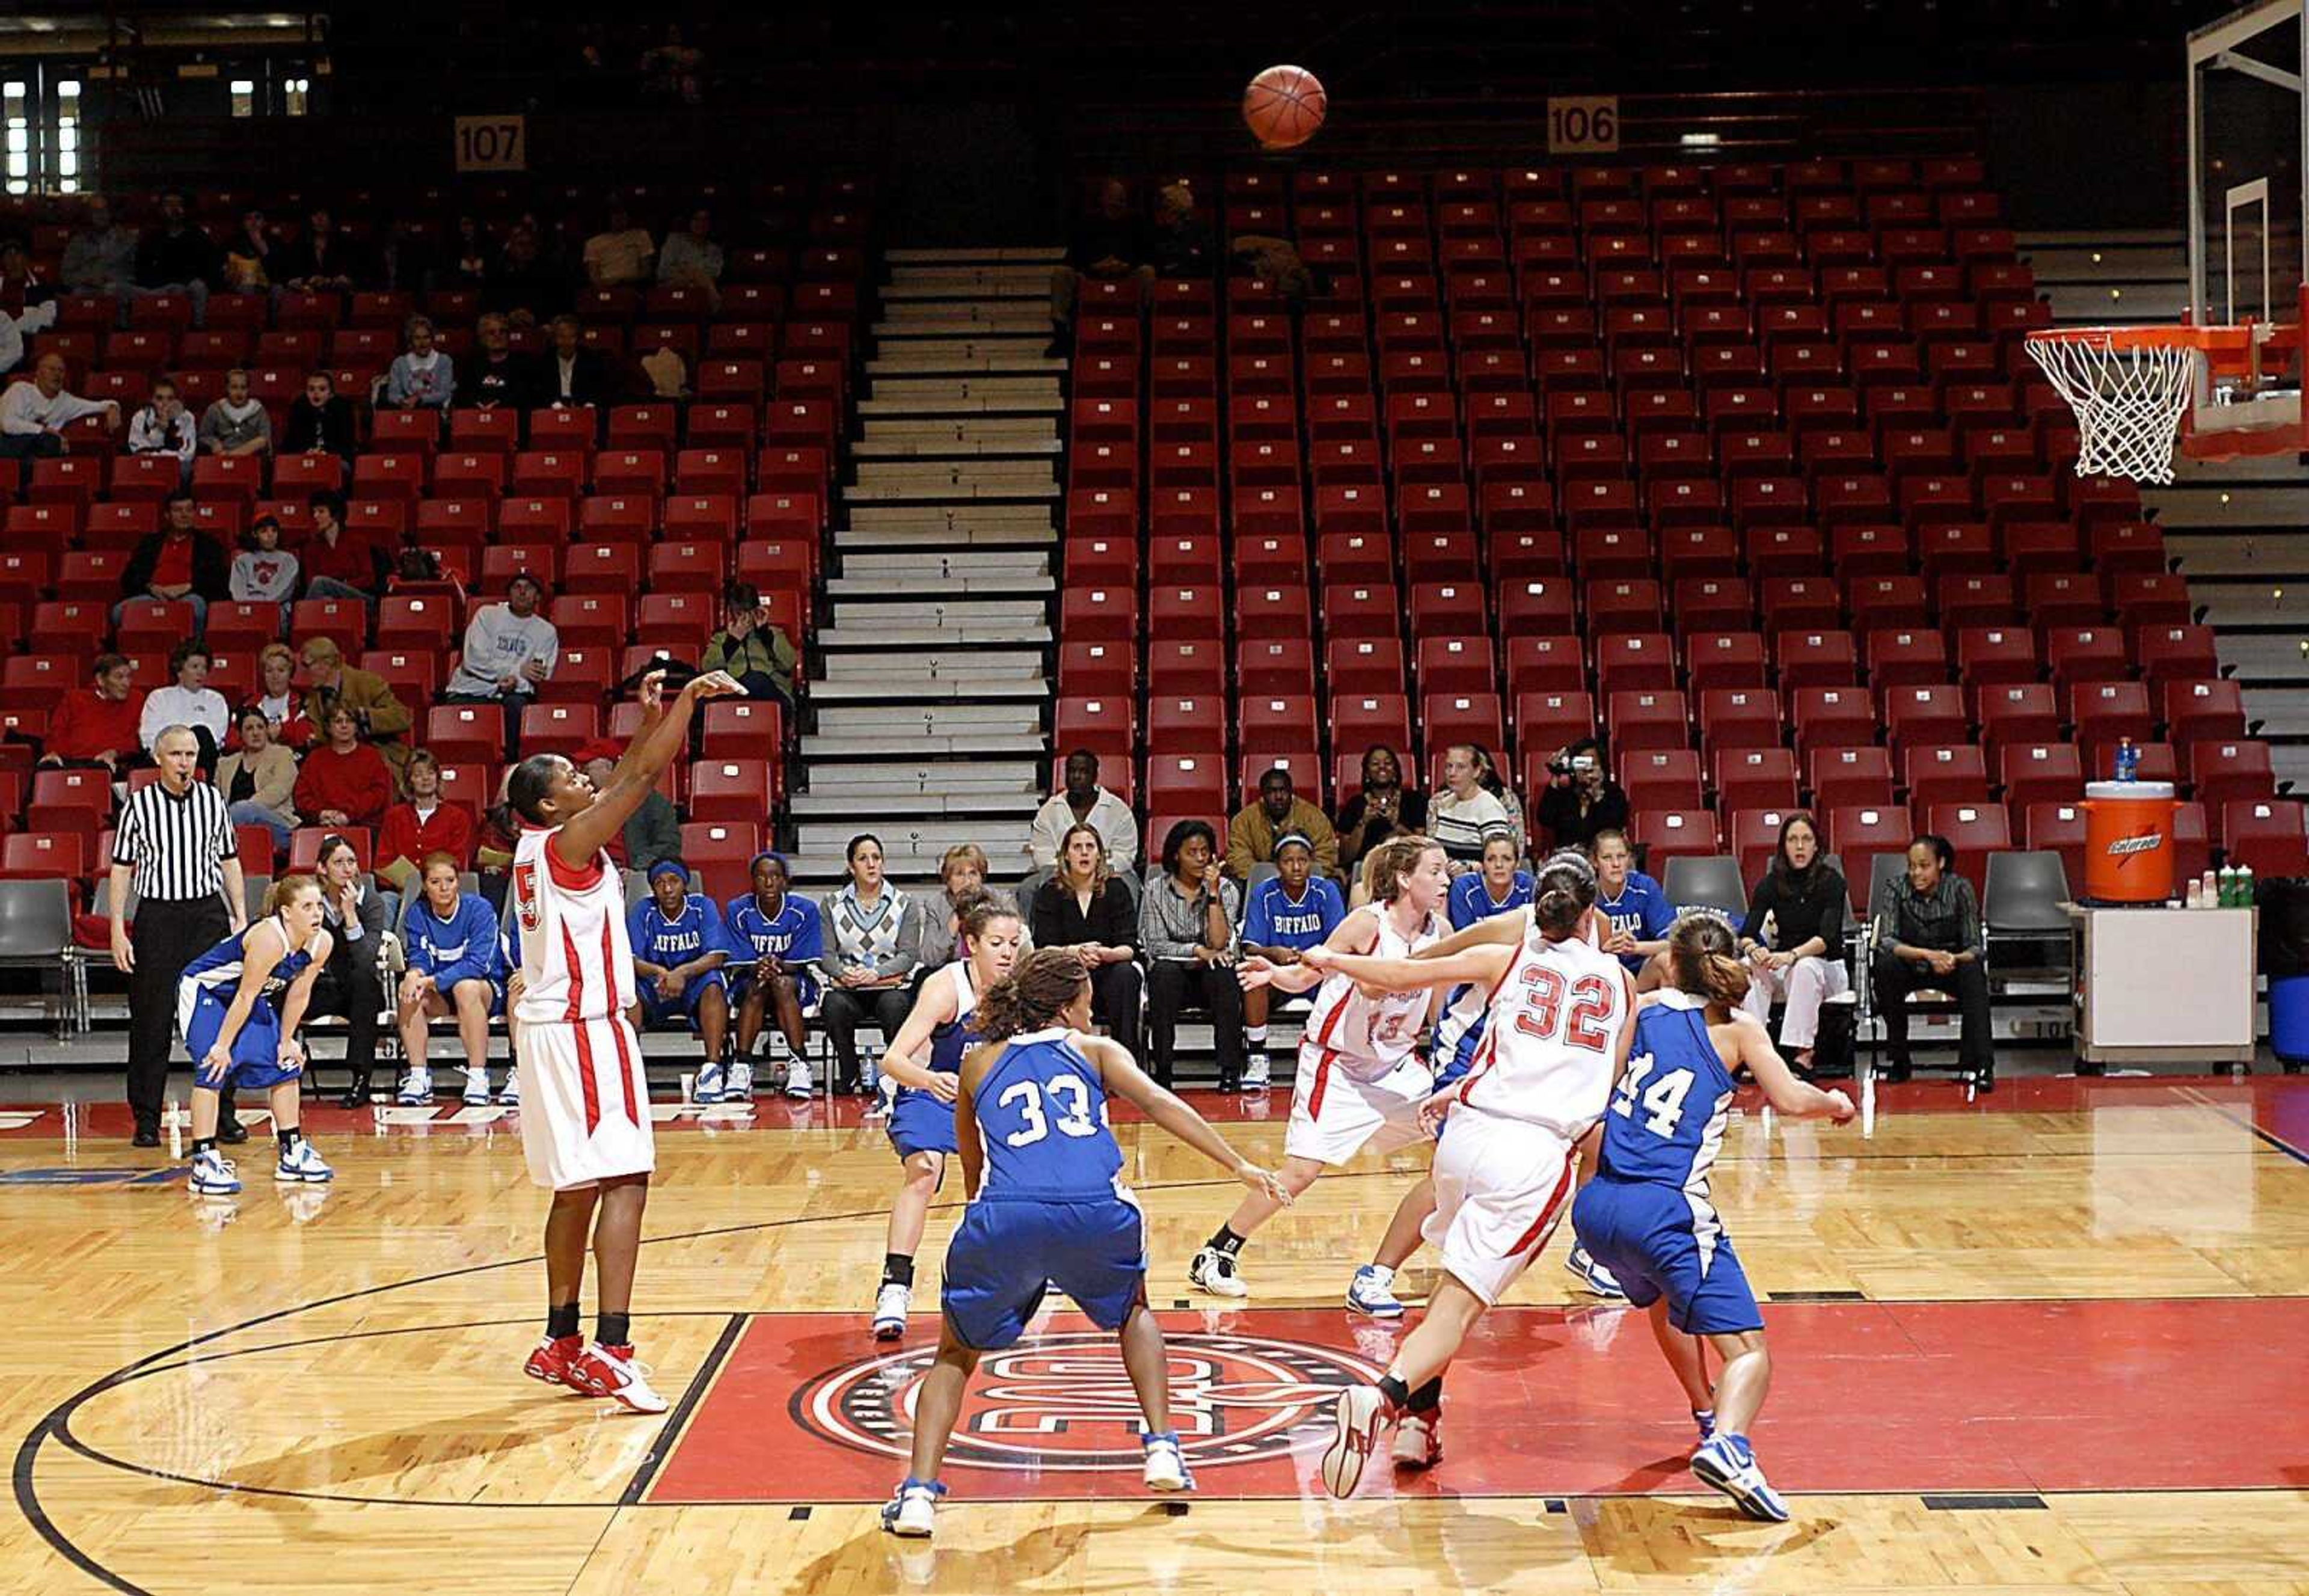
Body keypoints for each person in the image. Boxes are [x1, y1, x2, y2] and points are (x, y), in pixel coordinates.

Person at [880, 948, 1289, 1538]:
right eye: (1089, 998)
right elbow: (1161, 1102)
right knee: (1134, 1310)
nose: (1092, 1007)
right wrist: (1240, 1163)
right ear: (1070, 1006)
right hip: (1098, 1209)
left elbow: (975, 1170)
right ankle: (1163, 1447)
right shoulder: (1095, 1051)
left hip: (1004, 1213)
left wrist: (1004, 1241)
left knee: (954, 1353)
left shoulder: (978, 1061)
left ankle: (918, 1494)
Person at [1310, 855, 1636, 1496]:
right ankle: (1383, 1398)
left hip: (1466, 1133)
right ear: (1593, 911)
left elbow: (1404, 973)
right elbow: (1598, 1087)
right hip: (1532, 1155)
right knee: (1458, 1307)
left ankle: (1420, 1424)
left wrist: (1334, 959)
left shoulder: (1506, 955)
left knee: (1449, 1287)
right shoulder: (1621, 984)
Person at [1571, 910, 1857, 1521]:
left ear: (1672, 961)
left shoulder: (1643, 1009)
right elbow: (1790, 1098)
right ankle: (1730, 1443)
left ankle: (1705, 1412)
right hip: (1665, 1210)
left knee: (1660, 1301)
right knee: (1750, 1353)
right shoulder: (1740, 1029)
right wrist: (1832, 1101)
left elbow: (1593, 1095)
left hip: (1596, 1211)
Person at [509, 666, 741, 1415]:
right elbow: (639, 777)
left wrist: (643, 717)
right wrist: (683, 705)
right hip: (583, 1030)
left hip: (553, 1030)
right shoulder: (568, 844)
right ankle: (614, 1346)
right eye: (576, 777)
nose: (590, 778)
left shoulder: (535, 849)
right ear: (551, 805)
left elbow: (625, 769)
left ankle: (561, 1340)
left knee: (575, 1185)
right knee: (627, 1177)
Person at [1191, 836, 1453, 1300]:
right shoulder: (1367, 925)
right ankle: (1218, 1251)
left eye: (1445, 870)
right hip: (1339, 1067)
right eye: (1435, 871)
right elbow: (1307, 975)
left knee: (1458, 1138)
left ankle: (1445, 1244)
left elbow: (1437, 1013)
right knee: (1301, 1173)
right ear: (1404, 878)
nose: (1445, 879)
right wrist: (1273, 975)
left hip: (1395, 1068)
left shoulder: (1442, 934)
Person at [869, 893, 1025, 1340]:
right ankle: (895, 1286)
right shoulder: (944, 987)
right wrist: (927, 1079)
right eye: (997, 942)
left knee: (1013, 1176)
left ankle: (1008, 1277)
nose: (1008, 952)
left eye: (1014, 943)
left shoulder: (1020, 990)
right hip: (929, 1089)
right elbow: (892, 1060)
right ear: (971, 944)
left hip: (987, 1097)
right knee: (925, 1169)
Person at [111, 725, 248, 1148]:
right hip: (158, 917)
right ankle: (147, 1119)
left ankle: (224, 1113)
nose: (185, 762)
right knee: (151, 1021)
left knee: (215, 1018)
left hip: (206, 914)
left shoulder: (212, 801)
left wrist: (240, 915)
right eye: (176, 754)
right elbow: (121, 868)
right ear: (159, 758)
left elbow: (229, 861)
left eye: (190, 754)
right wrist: (118, 927)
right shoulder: (139, 805)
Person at [179, 876, 336, 1195]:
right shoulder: (269, 938)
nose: (316, 913)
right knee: (213, 1067)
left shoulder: (323, 943)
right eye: (307, 907)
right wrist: (222, 1045)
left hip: (247, 997)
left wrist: (287, 1039)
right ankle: (204, 1160)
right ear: (286, 913)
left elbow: (298, 993)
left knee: (286, 1064)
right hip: (208, 991)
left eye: (319, 905)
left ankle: (292, 1151)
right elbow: (245, 996)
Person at [1869, 833, 1995, 1090]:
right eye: (1912, 866)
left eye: (1924, 866)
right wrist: (1927, 955)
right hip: (1911, 962)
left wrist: (1952, 958)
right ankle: (1899, 1059)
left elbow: (1975, 946)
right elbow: (1888, 941)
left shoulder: (1960, 889)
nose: (1916, 873)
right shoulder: (1895, 888)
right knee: (1885, 967)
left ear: (1941, 863)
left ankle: (1982, 1064)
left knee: (1973, 973)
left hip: (1950, 964)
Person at [1737, 812, 1851, 1075]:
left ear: (1816, 845)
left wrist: (1791, 955)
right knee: (1748, 966)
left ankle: (1802, 1055)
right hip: (1786, 965)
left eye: (1806, 839)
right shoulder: (1770, 883)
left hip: (1827, 967)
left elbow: (1827, 938)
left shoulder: (1832, 881)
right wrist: (1756, 950)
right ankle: (1754, 1051)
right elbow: (1747, 933)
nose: (1799, 847)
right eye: (1792, 840)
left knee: (1806, 967)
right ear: (1783, 846)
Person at [1139, 818, 1245, 1090]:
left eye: (1205, 852)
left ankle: (1230, 1070)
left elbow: (1219, 943)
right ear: (1176, 855)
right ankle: (1163, 1070)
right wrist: (1197, 950)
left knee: (1224, 972)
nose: (1200, 859)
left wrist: (1212, 894)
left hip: (1210, 978)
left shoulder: (1226, 889)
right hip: (1174, 978)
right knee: (1163, 972)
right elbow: (1155, 945)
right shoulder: (1155, 890)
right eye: (1192, 852)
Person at [397, 853, 509, 1107]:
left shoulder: (479, 909)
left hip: (485, 989)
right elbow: (420, 956)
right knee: (409, 990)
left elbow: (479, 964)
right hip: (438, 990)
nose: (444, 888)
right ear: (425, 885)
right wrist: (414, 974)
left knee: (466, 987)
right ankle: (418, 1076)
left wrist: (433, 980)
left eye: (450, 880)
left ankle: (479, 1075)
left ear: (459, 882)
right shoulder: (417, 913)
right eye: (435, 882)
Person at [1238, 832, 1347, 1089]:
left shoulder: (1326, 891)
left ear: (1311, 862)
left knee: (1347, 977)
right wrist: (1273, 952)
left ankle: (1340, 1057)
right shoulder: (1265, 893)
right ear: (1277, 865)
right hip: (1278, 974)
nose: (1297, 867)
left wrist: (1306, 958)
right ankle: (1257, 1055)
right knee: (1252, 975)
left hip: (1317, 972)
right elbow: (1250, 947)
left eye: (1303, 860)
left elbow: (1340, 943)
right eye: (1289, 861)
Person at [817, 834, 924, 1094]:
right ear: (852, 867)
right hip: (848, 987)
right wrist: (845, 973)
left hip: (889, 986)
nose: (871, 864)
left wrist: (874, 974)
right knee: (833, 1005)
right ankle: (849, 1069)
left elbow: (908, 955)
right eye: (863, 859)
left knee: (896, 1005)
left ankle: (895, 1073)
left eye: (876, 858)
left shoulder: (904, 904)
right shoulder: (832, 904)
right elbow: (825, 954)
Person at [1029, 823, 1142, 1054]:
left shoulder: (1117, 889)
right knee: (1047, 980)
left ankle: (1125, 1060)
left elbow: (1129, 948)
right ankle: (1053, 1057)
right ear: (1066, 855)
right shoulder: (1050, 892)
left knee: (1126, 974)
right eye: (1077, 847)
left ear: (1100, 854)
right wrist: (1073, 952)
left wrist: (1104, 954)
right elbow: (1042, 949)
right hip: (1066, 973)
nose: (1084, 852)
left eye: (1090, 847)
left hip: (1108, 971)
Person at [628, 861, 735, 1097]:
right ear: (653, 888)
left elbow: (717, 956)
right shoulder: (643, 911)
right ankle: (629, 1074)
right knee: (627, 991)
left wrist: (681, 973)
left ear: (685, 884)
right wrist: (662, 974)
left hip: (693, 985)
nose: (667, 889)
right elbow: (631, 959)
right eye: (660, 883)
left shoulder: (702, 906)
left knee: (714, 981)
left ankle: (712, 1070)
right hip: (655, 985)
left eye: (673, 881)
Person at [724, 852, 824, 1100]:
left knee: (781, 984)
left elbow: (802, 960)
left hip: (793, 981)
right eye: (761, 877)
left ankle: (800, 1065)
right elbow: (740, 959)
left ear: (785, 881)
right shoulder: (738, 909)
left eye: (775, 877)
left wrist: (775, 964)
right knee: (757, 986)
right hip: (750, 981)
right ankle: (742, 1066)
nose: (769, 883)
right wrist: (760, 966)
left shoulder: (805, 910)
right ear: (752, 881)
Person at [305, 833, 385, 1108]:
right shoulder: (311, 903)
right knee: (279, 993)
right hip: (321, 986)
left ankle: (361, 1080)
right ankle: (276, 1076)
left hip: (357, 990)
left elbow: (365, 960)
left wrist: (350, 915)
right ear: (322, 868)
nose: (347, 868)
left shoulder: (371, 902)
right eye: (339, 862)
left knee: (365, 982)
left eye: (352, 861)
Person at [442, 573, 559, 759]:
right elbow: (474, 659)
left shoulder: (546, 632)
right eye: (517, 587)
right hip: (470, 690)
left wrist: (516, 680)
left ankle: (510, 767)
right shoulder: (487, 615)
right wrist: (516, 672)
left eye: (528, 588)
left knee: (517, 707)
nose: (522, 592)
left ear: (538, 596)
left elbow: (538, 674)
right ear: (509, 594)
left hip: (513, 696)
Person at [1046, 178, 1154, 357]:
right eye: (1112, 199)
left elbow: (1147, 255)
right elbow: (1073, 257)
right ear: (1103, 200)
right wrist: (1092, 267)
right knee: (1061, 273)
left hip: (1126, 275)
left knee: (1148, 273)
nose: (1116, 204)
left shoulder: (1136, 223)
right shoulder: (1087, 223)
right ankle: (1061, 333)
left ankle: (1146, 329)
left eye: (1120, 200)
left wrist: (1126, 265)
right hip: (1092, 275)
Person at [296, 636, 411, 782]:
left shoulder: (368, 683)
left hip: (379, 756)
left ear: (326, 664)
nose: (305, 673)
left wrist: (364, 718)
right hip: (338, 760)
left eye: (308, 666)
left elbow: (402, 717)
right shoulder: (313, 699)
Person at [118, 490, 228, 636]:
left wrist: (188, 587)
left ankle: (193, 652)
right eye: (178, 510)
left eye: (189, 510)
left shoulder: (209, 544)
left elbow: (218, 580)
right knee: (119, 612)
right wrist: (152, 588)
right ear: (167, 515)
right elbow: (129, 577)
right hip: (153, 595)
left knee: (196, 609)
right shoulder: (150, 543)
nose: (184, 515)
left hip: (190, 596)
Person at [376, 750, 476, 893]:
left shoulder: (458, 817)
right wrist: (411, 886)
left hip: (443, 890)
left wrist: (429, 886)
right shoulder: (394, 816)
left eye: (430, 773)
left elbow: (454, 861)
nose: (426, 779)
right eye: (418, 775)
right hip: (399, 891)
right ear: (409, 781)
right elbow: (384, 860)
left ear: (438, 777)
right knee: (385, 902)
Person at [1026, 749, 1138, 872]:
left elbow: (1125, 856)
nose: (1077, 776)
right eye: (1072, 771)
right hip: (1060, 875)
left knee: (1128, 887)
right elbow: (1042, 856)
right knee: (1028, 888)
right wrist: (1073, 873)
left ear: (1095, 776)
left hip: (1109, 875)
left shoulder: (1119, 810)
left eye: (1084, 772)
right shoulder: (1048, 811)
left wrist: (1093, 871)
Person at [0, 349, 121, 461]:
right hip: (7, 444)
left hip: (36, 453)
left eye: (61, 371)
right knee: (49, 441)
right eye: (52, 369)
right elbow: (8, 424)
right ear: (38, 373)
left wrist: (113, 407)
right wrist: (44, 431)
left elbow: (98, 406)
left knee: (51, 444)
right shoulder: (20, 390)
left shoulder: (65, 401)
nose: (57, 375)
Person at [577, 742, 678, 872]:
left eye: (587, 769)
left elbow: (669, 844)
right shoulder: (579, 802)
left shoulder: (650, 802)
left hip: (638, 879)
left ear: (612, 769)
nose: (584, 776)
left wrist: (637, 871)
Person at [1225, 765, 1340, 881]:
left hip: (1306, 882)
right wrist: (1271, 880)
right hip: (1259, 884)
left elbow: (1325, 858)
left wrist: (1295, 877)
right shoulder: (1244, 820)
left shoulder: (1315, 818)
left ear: (1291, 792)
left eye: (1283, 790)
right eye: (1272, 792)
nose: (1279, 796)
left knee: (1334, 885)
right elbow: (1238, 859)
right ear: (1263, 795)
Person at [1593, 828, 1678, 983]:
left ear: (1629, 859)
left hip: (1640, 976)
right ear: (1595, 862)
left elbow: (1671, 944)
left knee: (1667, 960)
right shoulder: (1586, 894)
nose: (1616, 864)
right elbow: (1571, 952)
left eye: (1621, 856)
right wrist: (1602, 949)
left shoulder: (1645, 887)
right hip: (1599, 977)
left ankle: (1664, 1008)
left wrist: (1634, 947)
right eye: (1607, 858)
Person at [698, 582, 799, 708]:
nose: (744, 618)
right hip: (734, 693)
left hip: (772, 693)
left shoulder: (774, 634)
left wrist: (765, 635)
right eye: (739, 613)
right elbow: (707, 668)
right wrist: (732, 641)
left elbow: (788, 663)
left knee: (756, 680)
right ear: (731, 613)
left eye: (748, 612)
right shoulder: (721, 638)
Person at [295, 705, 393, 830]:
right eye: (338, 721)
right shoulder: (315, 758)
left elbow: (377, 795)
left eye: (350, 721)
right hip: (321, 824)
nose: (344, 726)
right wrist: (322, 814)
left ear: (356, 727)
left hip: (362, 825)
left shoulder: (371, 757)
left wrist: (347, 816)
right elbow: (302, 796)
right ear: (328, 727)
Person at [1335, 744, 1429, 873]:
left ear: (1396, 771)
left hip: (1408, 868)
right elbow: (1345, 858)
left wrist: (1397, 826)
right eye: (1375, 763)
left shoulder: (1415, 801)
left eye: (1388, 763)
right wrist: (1363, 822)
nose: (1382, 767)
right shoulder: (1354, 805)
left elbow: (1425, 849)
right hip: (1365, 871)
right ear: (1367, 773)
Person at [44, 652, 144, 770]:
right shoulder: (74, 699)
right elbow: (57, 731)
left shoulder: (136, 700)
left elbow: (134, 739)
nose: (126, 683)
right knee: (46, 768)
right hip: (71, 762)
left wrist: (116, 752)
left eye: (129, 677)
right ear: (100, 680)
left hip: (110, 764)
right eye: (119, 677)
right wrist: (54, 752)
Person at [216, 705, 298, 848]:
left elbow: (279, 791)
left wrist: (244, 809)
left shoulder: (283, 755)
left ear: (267, 731)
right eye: (249, 728)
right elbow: (217, 800)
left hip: (276, 823)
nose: (256, 733)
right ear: (240, 734)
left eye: (260, 727)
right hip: (235, 828)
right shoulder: (225, 764)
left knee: (244, 810)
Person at [1430, 743, 1520, 868]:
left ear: (1476, 771)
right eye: (1449, 766)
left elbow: (1499, 861)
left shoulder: (1489, 807)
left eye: (1461, 767)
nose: (1452, 773)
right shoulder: (1444, 804)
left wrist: (1469, 868)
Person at [133, 190, 216, 327]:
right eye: (169, 204)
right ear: (161, 210)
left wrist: (185, 283)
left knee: (199, 287)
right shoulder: (151, 238)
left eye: (178, 204)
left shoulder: (198, 236)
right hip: (159, 287)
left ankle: (197, 329)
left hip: (189, 286)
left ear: (185, 209)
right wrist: (166, 285)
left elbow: (211, 267)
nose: (174, 209)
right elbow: (142, 270)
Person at [1537, 736, 1631, 853]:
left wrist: (1597, 795)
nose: (1587, 769)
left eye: (1592, 763)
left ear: (1602, 766)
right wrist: (1556, 774)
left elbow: (1612, 829)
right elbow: (1545, 817)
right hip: (1568, 860)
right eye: (1582, 763)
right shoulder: (1566, 794)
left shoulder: (1614, 795)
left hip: (1602, 858)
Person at [916, 843, 998, 973]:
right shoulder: (936, 905)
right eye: (959, 874)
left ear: (981, 877)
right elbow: (930, 959)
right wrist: (954, 921)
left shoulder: (995, 901)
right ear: (948, 880)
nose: (967, 881)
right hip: (950, 972)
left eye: (973, 873)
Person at [61, 196, 138, 306]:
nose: (101, 215)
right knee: (79, 294)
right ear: (88, 214)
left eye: (104, 211)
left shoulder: (127, 240)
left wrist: (117, 280)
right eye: (96, 212)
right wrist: (89, 279)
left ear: (110, 213)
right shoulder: (78, 243)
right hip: (90, 290)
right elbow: (66, 276)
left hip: (121, 289)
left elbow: (137, 272)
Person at [1449, 829, 1533, 929]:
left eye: (1506, 859)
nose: (1499, 865)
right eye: (1491, 859)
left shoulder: (1527, 886)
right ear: (1483, 864)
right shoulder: (1464, 888)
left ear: (1517, 863)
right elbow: (1463, 938)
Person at [126, 376, 197, 484]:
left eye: (170, 399)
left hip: (175, 465)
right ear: (152, 400)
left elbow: (188, 454)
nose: (165, 403)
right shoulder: (141, 417)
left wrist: (169, 430)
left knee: (186, 469)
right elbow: (139, 451)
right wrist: (160, 433)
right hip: (149, 465)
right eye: (159, 398)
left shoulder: (187, 418)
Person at [537, 313, 616, 410]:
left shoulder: (591, 359)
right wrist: (554, 403)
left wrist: (590, 404)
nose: (567, 342)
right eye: (562, 337)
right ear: (555, 338)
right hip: (553, 408)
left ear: (577, 338)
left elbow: (600, 388)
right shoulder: (545, 360)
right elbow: (540, 390)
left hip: (583, 407)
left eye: (571, 337)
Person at [274, 206, 360, 296]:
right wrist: (306, 280)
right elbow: (289, 274)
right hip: (305, 294)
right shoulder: (300, 243)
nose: (320, 219)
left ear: (331, 218)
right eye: (315, 215)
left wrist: (338, 280)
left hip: (337, 295)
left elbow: (350, 273)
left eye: (324, 214)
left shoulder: (344, 243)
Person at [459, 311, 536, 408]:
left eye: (502, 331)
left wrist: (499, 405)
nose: (498, 336)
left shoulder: (524, 363)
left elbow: (525, 395)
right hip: (477, 416)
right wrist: (477, 405)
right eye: (491, 332)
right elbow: (464, 394)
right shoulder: (472, 364)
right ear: (482, 338)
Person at [382, 314, 455, 412]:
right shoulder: (400, 363)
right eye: (417, 338)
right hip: (406, 409)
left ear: (432, 339)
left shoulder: (444, 361)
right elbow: (393, 394)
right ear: (411, 341)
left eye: (426, 337)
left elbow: (443, 393)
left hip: (434, 410)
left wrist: (419, 400)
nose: (422, 343)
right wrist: (402, 401)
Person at [281, 372, 357, 466]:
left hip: (335, 458)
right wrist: (307, 451)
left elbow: (346, 443)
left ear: (331, 394)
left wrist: (325, 452)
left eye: (322, 389)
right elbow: (292, 441)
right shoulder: (299, 408)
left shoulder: (342, 408)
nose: (316, 393)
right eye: (311, 389)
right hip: (304, 458)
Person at [198, 367, 274, 459]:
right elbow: (203, 436)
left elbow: (265, 441)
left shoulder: (259, 410)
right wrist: (214, 443)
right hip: (220, 459)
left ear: (248, 389)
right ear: (227, 388)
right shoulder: (215, 409)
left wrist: (232, 455)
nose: (239, 392)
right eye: (234, 387)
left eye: (243, 388)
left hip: (251, 459)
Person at [250, 643, 314, 748]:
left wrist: (281, 731)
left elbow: (306, 735)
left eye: (281, 670)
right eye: (269, 671)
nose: (275, 676)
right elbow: (232, 740)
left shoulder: (304, 702)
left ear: (290, 673)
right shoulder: (249, 704)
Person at [582, 200, 655, 291]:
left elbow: (646, 271)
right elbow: (594, 276)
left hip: (634, 287)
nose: (619, 218)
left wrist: (625, 281)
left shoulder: (641, 236)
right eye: (615, 214)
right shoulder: (593, 243)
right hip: (606, 289)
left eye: (622, 214)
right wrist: (608, 287)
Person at [228, 514, 298, 609]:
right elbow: (238, 594)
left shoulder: (289, 560)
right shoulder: (242, 560)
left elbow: (283, 592)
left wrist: (262, 606)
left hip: (276, 609)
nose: (270, 535)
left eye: (274, 530)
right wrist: (252, 607)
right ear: (255, 534)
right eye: (264, 531)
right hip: (247, 609)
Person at [656, 207, 724, 300]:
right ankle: (717, 305)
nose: (701, 223)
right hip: (673, 287)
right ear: (689, 222)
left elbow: (714, 275)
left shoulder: (715, 250)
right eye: (696, 219)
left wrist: (688, 272)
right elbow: (663, 272)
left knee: (699, 280)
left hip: (700, 290)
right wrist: (689, 274)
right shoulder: (674, 241)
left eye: (705, 220)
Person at [221, 208, 272, 296]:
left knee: (278, 289)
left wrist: (261, 245)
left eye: (258, 217)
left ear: (265, 222)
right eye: (249, 218)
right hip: (241, 282)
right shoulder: (231, 242)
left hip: (268, 282)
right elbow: (224, 268)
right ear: (243, 224)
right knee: (247, 287)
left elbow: (279, 268)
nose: (254, 222)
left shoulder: (274, 241)